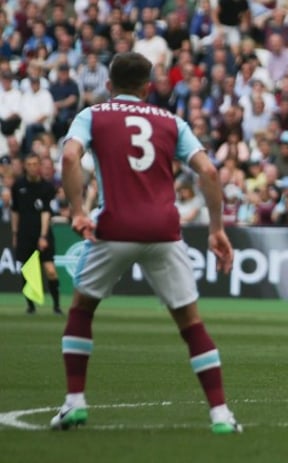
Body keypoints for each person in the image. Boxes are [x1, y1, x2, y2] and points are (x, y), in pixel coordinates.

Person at [54, 52, 240, 434]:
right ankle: (221, 415)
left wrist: (77, 210)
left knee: (82, 309)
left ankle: (74, 402)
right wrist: (216, 228)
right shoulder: (171, 121)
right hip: (163, 230)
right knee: (191, 322)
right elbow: (208, 169)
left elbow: (70, 155)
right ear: (148, 87)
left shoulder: (93, 114)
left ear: (109, 85)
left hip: (114, 226)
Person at [11, 153, 62, 315]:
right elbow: (15, 211)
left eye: (35, 164)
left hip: (42, 234)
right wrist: (15, 233)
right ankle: (31, 307)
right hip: (24, 235)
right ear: (25, 166)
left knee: (50, 270)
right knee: (27, 271)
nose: (32, 167)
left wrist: (43, 236)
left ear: (39, 166)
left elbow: (46, 212)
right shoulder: (18, 186)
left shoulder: (47, 187)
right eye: (29, 164)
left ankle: (56, 306)